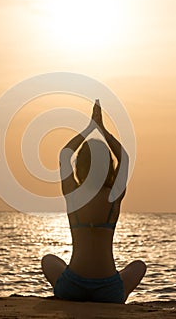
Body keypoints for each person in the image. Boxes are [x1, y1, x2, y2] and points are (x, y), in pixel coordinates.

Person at [41, 99, 146, 303]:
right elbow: (124, 158)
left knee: (49, 260)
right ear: (108, 166)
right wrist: (103, 130)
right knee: (139, 265)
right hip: (108, 289)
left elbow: (65, 154)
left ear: (80, 167)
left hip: (72, 286)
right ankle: (117, 295)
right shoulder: (113, 195)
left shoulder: (73, 194)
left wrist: (90, 128)